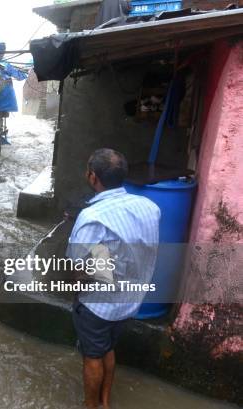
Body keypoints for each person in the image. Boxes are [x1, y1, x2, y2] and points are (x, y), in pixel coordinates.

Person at [66, 148, 160, 409]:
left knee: (92, 355)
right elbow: (126, 247)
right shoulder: (149, 207)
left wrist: (75, 291)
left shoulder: (92, 217)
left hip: (98, 305)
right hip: (130, 301)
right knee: (107, 348)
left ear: (93, 177)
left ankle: (90, 406)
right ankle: (105, 403)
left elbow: (78, 268)